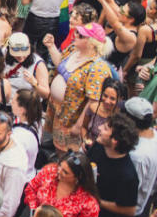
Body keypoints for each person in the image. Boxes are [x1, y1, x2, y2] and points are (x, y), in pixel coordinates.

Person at [45, 22, 112, 153]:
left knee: (66, 151)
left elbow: (93, 100)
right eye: (77, 33)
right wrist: (51, 47)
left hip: (71, 117)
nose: (75, 35)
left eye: (81, 36)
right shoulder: (73, 49)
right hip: (57, 108)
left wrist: (78, 125)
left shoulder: (98, 68)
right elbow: (60, 63)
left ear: (92, 43)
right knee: (56, 142)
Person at [87, 112, 140, 217]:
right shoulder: (99, 146)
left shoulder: (127, 176)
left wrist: (98, 201)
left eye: (105, 128)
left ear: (115, 141)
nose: (99, 128)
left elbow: (130, 210)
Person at [24, 153, 100, 217]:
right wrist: (36, 211)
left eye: (65, 172)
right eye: (60, 166)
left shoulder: (88, 204)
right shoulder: (49, 172)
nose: (59, 171)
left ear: (78, 177)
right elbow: (31, 188)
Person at [123, 97, 157, 217]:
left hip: (129, 212)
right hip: (147, 202)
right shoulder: (154, 136)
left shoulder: (138, 155)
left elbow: (129, 192)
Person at [5, 32, 51, 98]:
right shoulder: (3, 54)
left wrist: (34, 83)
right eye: (17, 55)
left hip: (26, 104)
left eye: (24, 53)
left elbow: (45, 94)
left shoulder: (38, 64)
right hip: (6, 102)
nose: (21, 57)